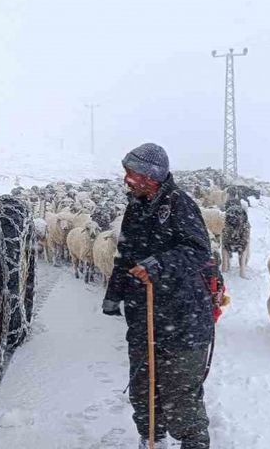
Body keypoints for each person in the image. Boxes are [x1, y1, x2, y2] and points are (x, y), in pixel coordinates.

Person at [102, 143, 214, 449]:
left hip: (182, 317)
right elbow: (125, 252)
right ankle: (152, 438)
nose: (126, 179)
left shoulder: (180, 205)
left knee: (179, 393)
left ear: (151, 176)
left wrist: (158, 264)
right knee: (144, 387)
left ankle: (193, 443)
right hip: (144, 316)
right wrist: (115, 292)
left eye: (132, 173)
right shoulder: (135, 207)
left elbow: (198, 250)